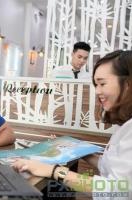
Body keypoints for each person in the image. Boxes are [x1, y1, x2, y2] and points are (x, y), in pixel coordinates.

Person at [12, 50, 132, 198]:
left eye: (102, 83)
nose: (97, 91)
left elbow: (117, 190)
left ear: (128, 84)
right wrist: (81, 151)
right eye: (96, 84)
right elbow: (112, 167)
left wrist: (55, 171)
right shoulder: (125, 125)